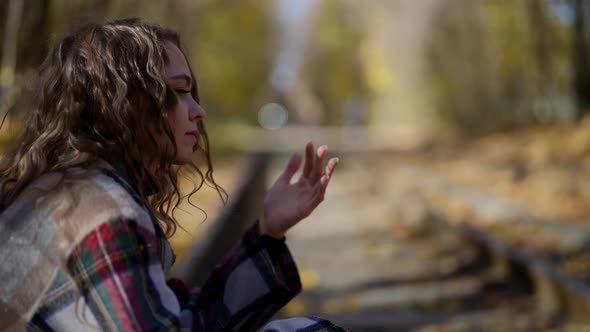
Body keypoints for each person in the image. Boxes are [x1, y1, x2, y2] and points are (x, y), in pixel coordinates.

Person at [0, 18, 342, 331]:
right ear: (127, 103)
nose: (198, 110)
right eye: (179, 92)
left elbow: (185, 321)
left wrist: (270, 230)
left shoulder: (67, 192)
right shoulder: (101, 213)